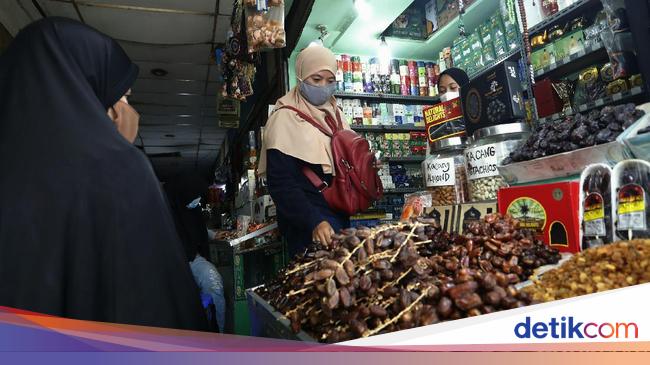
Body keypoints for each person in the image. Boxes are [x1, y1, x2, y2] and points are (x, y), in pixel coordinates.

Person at [0, 17, 207, 331]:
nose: (124, 108)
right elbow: (155, 304)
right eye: (120, 96)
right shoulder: (119, 171)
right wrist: (120, 152)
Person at [258, 46, 351, 256]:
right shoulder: (283, 119)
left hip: (341, 216)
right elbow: (281, 183)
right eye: (316, 79)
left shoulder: (336, 116)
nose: (324, 87)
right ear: (300, 77)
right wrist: (314, 221)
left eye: (330, 81)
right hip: (308, 226)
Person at [163, 174, 226, 333]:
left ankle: (220, 333)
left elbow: (196, 230)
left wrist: (212, 234)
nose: (196, 202)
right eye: (193, 198)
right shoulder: (162, 214)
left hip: (193, 258)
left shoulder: (190, 208)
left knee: (214, 284)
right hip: (170, 263)